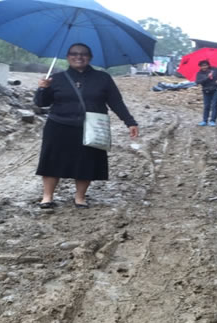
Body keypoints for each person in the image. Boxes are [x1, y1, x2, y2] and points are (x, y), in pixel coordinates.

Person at [34, 43, 139, 209]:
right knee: (51, 162)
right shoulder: (56, 78)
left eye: (83, 54)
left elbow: (116, 102)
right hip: (58, 125)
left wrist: (130, 122)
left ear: (90, 57)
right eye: (74, 54)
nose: (79, 57)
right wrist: (42, 89)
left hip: (91, 126)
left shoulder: (103, 78)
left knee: (86, 162)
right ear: (67, 57)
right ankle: (47, 197)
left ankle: (80, 197)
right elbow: (41, 103)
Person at [194, 60, 217, 127]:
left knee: (214, 105)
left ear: (208, 65)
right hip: (206, 91)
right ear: (200, 67)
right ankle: (204, 120)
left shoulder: (215, 69)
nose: (204, 67)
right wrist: (208, 77)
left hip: (216, 89)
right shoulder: (199, 74)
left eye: (205, 65)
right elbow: (198, 82)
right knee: (206, 106)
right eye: (202, 66)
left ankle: (213, 120)